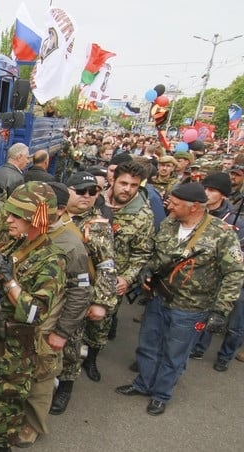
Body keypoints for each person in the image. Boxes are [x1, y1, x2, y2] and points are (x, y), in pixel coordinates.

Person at [116, 183, 244, 416]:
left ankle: (161, 395)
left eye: (175, 203)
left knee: (174, 354)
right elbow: (157, 257)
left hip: (191, 308)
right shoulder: (167, 224)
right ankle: (143, 384)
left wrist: (220, 310)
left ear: (194, 207)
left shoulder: (222, 233)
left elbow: (235, 273)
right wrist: (146, 271)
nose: (169, 206)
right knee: (148, 345)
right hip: (157, 299)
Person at [0, 182, 66, 452]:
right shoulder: (10, 242)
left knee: (7, 400)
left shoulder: (51, 259)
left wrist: (9, 281)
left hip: (15, 346)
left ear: (35, 220)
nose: (8, 219)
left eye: (16, 216)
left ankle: (0, 443)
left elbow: (35, 312)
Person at [17, 181, 91, 447]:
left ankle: (33, 425)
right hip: (24, 319)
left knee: (41, 379)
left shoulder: (70, 243)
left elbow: (80, 292)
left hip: (47, 326)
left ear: (57, 210)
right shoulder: (31, 233)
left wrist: (62, 332)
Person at [50, 172, 116, 415]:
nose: (86, 197)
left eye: (93, 192)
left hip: (76, 294)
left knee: (70, 344)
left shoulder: (97, 226)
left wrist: (101, 302)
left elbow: (106, 266)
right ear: (67, 191)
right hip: (48, 292)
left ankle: (66, 386)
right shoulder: (51, 213)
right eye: (80, 191)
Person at [97, 161, 154, 358]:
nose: (127, 189)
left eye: (134, 185)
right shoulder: (94, 199)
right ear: (113, 180)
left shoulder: (142, 215)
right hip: (86, 272)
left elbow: (142, 253)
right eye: (123, 183)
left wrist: (126, 279)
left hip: (114, 279)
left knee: (101, 323)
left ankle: (92, 359)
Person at [190, 173, 244, 371]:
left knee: (236, 323)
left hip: (234, 276)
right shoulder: (197, 211)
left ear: (223, 195)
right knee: (207, 316)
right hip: (207, 275)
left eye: (212, 190)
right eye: (205, 188)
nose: (206, 193)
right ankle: (199, 347)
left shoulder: (236, 220)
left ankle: (225, 355)